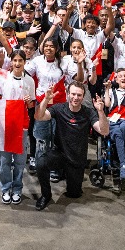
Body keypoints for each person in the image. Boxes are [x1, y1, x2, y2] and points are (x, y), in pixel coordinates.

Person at [34, 82, 96, 210]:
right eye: (73, 94)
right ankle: (46, 195)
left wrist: (100, 112)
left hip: (77, 159)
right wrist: (46, 99)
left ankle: (68, 176)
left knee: (74, 194)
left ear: (83, 97)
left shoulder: (89, 112)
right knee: (40, 163)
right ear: (68, 94)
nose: (75, 97)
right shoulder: (59, 108)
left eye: (79, 95)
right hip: (60, 154)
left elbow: (104, 131)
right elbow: (39, 117)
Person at [0, 50, 35, 204]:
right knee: (4, 160)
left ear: (25, 62)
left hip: (22, 125)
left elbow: (32, 104)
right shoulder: (3, 77)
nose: (17, 64)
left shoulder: (30, 81)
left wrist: (28, 101)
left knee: (19, 160)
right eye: (15, 60)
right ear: (11, 62)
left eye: (20, 61)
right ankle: (5, 188)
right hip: (5, 125)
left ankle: (17, 188)